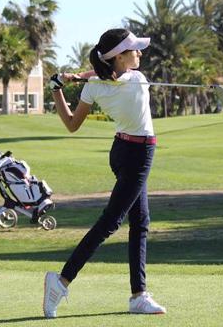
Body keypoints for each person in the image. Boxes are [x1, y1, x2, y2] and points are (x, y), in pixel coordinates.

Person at [42, 28, 166, 318]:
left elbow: (72, 122)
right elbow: (105, 78)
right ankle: (60, 282)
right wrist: (78, 79)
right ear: (119, 57)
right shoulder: (138, 79)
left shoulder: (95, 86)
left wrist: (58, 88)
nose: (139, 53)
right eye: (133, 50)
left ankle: (139, 295)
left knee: (140, 222)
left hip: (121, 151)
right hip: (138, 154)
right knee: (111, 222)